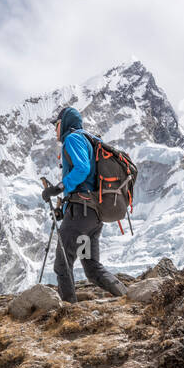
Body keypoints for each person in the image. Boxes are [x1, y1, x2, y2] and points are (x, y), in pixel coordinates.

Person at [42, 106, 128, 303]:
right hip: (92, 217)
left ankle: (69, 313)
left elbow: (82, 168)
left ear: (63, 123)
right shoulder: (89, 140)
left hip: (80, 214)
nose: (55, 130)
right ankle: (128, 297)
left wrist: (58, 188)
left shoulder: (72, 139)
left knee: (62, 264)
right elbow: (87, 180)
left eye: (56, 124)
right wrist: (63, 210)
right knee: (91, 267)